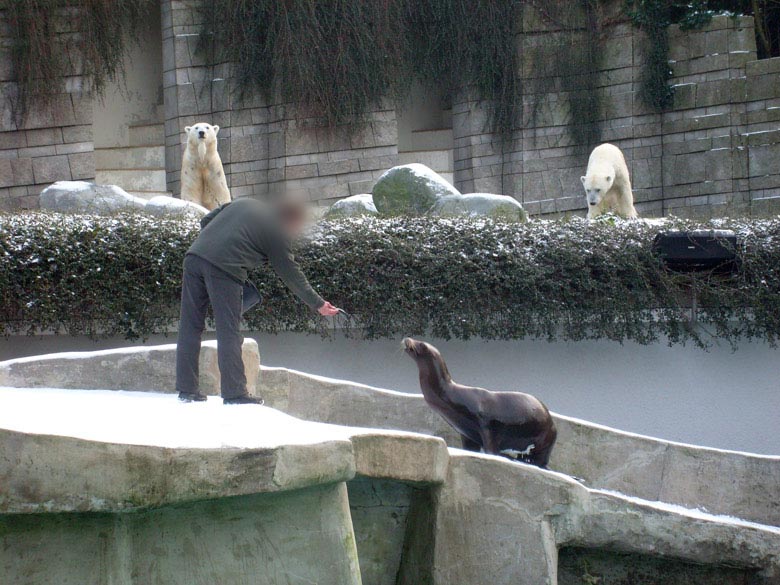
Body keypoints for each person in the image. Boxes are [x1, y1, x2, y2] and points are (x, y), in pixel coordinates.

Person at [175, 197, 340, 404]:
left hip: (195, 257)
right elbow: (290, 272)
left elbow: (206, 220)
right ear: (291, 219)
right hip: (226, 267)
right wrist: (318, 304)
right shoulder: (276, 230)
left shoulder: (244, 203)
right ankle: (235, 393)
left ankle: (186, 390)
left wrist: (215, 245)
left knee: (190, 325)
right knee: (228, 330)